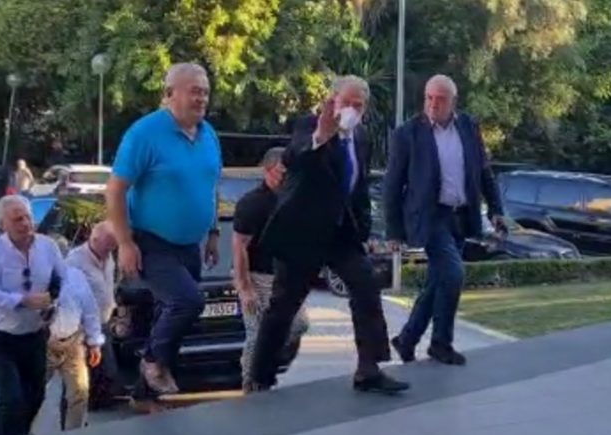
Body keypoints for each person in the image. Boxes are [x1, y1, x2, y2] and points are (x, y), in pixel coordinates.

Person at [249, 75, 409, 394]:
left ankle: (369, 368)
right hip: (303, 232)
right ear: (333, 100)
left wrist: (363, 231)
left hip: (341, 234)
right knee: (284, 306)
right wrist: (322, 135)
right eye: (346, 103)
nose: (351, 110)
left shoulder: (361, 137)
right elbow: (294, 157)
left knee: (366, 287)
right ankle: (259, 377)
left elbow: (359, 187)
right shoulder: (310, 125)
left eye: (358, 105)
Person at [106, 62, 222, 396]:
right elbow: (115, 190)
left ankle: (146, 394)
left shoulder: (208, 134)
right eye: (194, 92)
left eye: (205, 93)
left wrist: (213, 232)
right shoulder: (145, 133)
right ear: (170, 94)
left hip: (190, 244)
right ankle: (153, 360)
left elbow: (211, 184)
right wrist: (125, 242)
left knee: (168, 315)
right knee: (188, 302)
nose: (201, 99)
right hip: (151, 241)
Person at [384, 74, 504, 365]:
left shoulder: (468, 127)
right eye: (429, 98)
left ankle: (407, 339)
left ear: (453, 102)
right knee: (453, 274)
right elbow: (392, 184)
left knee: (438, 280)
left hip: (460, 216)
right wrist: (394, 232)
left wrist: (496, 209)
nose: (433, 104)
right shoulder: (407, 134)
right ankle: (441, 343)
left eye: (440, 99)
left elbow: (483, 171)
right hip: (431, 217)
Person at [0, 195, 66, 435]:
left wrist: (53, 302)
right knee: (11, 399)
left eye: (27, 217)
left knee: (36, 395)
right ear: (2, 224)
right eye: (17, 219)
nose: (25, 223)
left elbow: (61, 278)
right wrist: (23, 300)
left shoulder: (48, 246)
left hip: (34, 334)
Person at [232, 147, 309, 393]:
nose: (285, 178)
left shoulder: (294, 197)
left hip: (284, 273)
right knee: (256, 332)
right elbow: (239, 246)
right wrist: (245, 287)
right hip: (257, 275)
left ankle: (268, 366)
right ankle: (251, 383)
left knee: (298, 324)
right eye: (281, 173)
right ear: (267, 171)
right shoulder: (252, 204)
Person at [43, 235, 104, 431]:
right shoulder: (32, 277)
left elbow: (89, 309)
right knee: (33, 394)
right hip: (43, 344)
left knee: (79, 392)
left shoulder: (75, 276)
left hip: (72, 343)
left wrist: (94, 342)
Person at [66, 221, 118, 407]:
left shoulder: (108, 257)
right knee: (82, 373)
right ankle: (77, 408)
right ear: (94, 240)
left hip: (104, 320)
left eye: (112, 247)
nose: (109, 251)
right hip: (81, 326)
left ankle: (97, 402)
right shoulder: (75, 262)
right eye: (107, 246)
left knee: (105, 369)